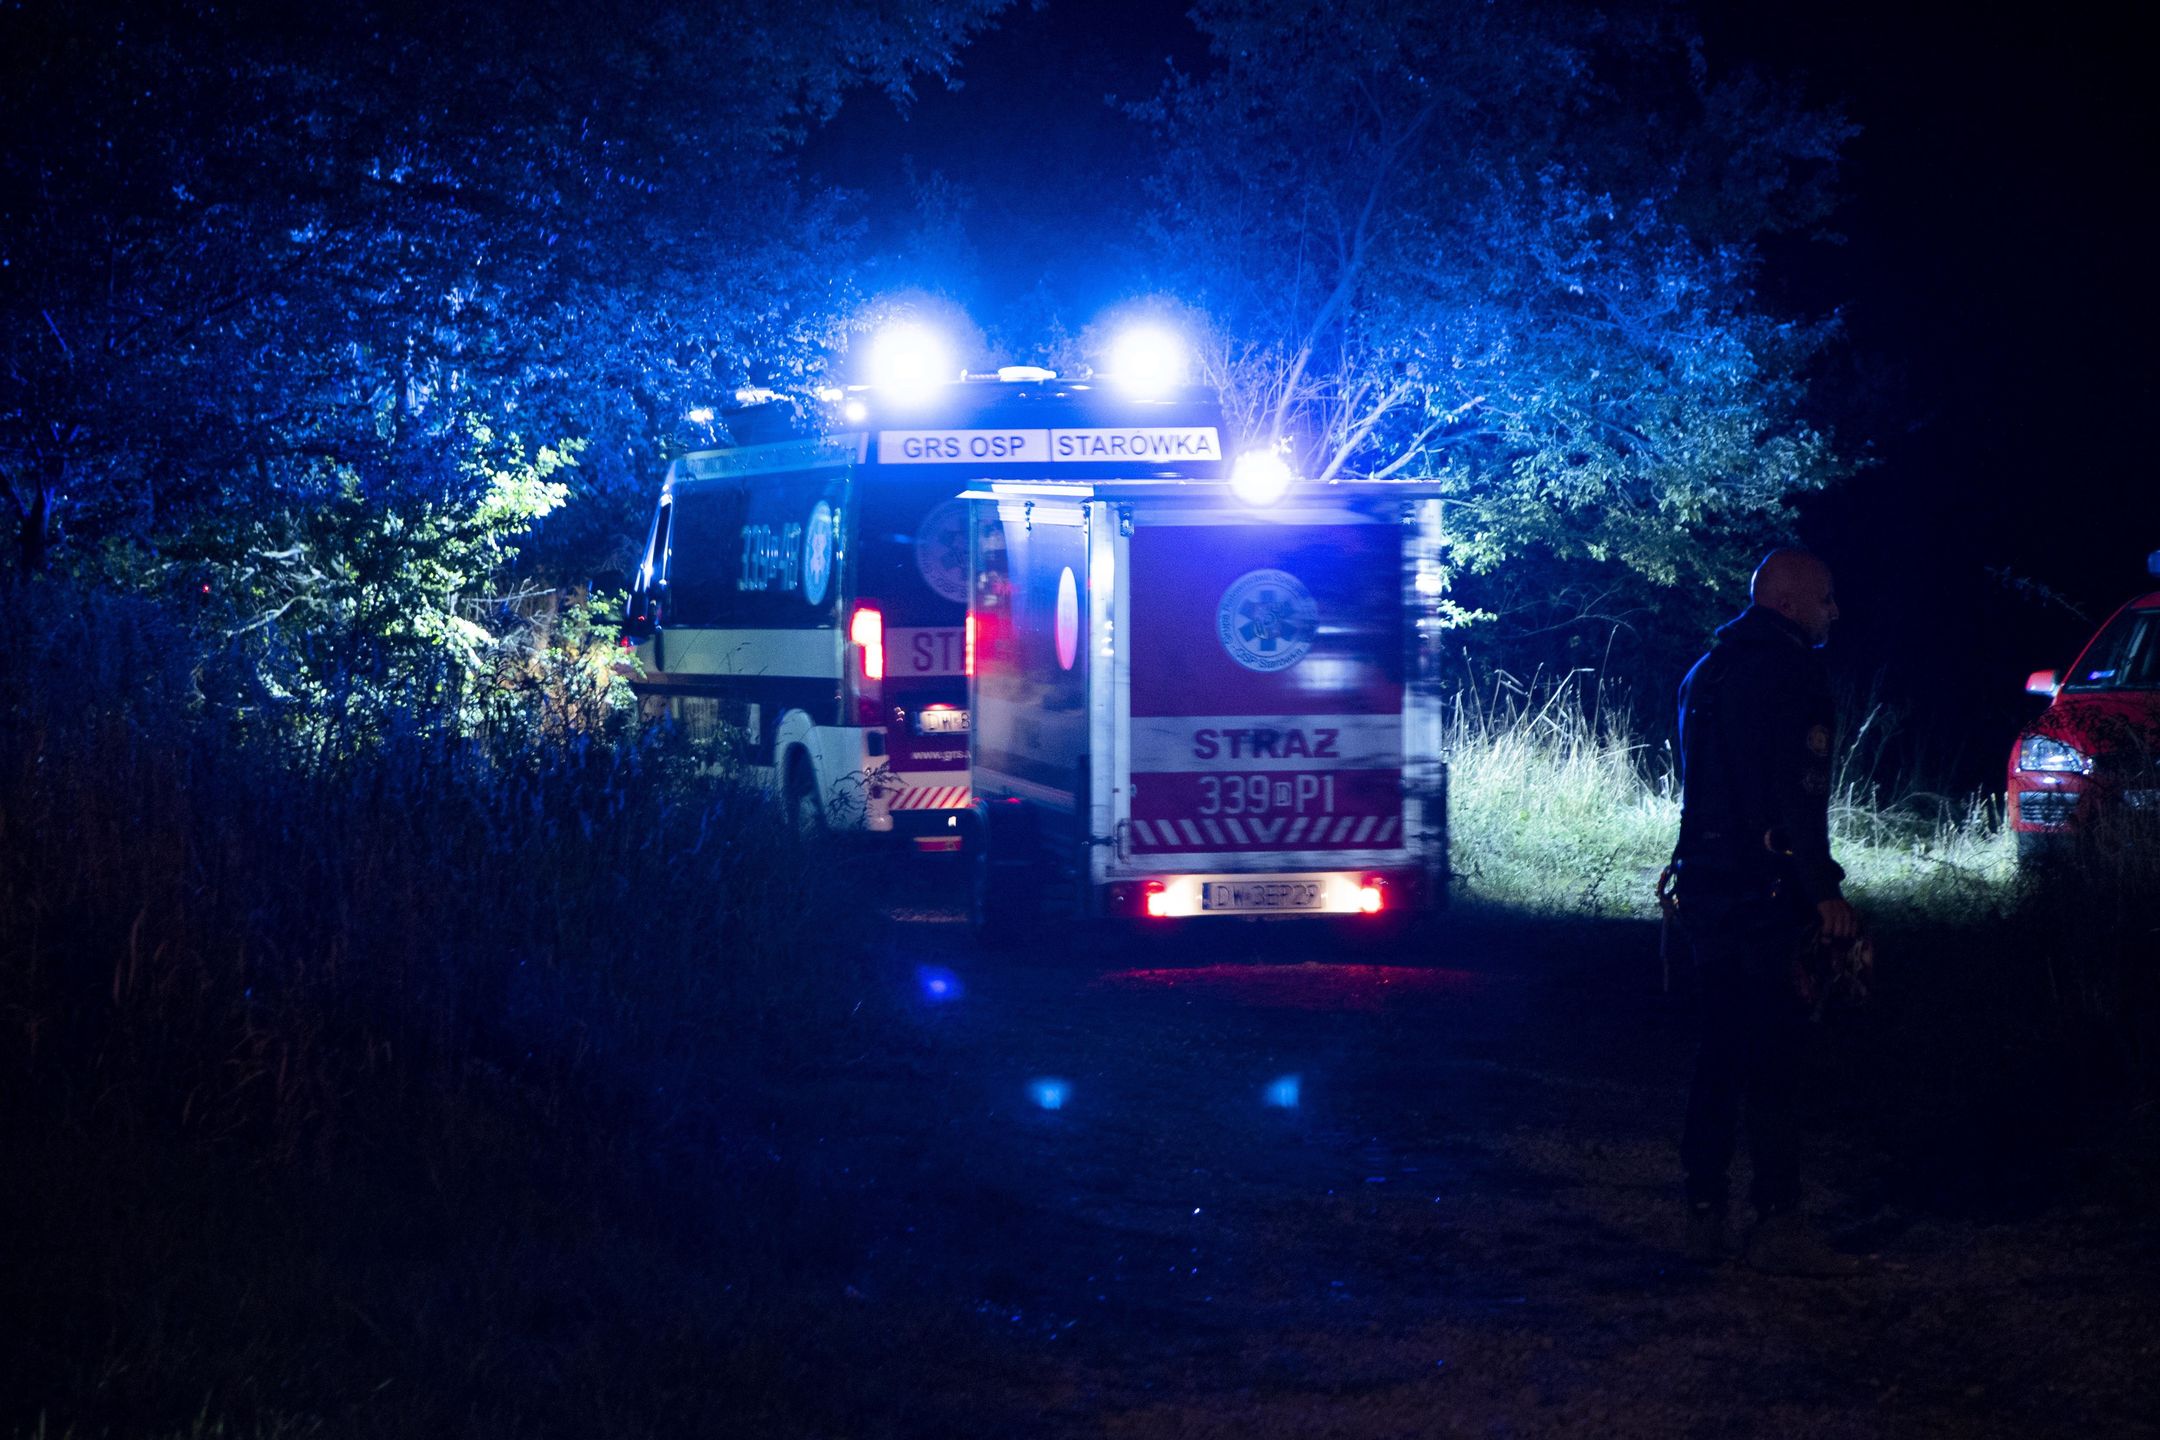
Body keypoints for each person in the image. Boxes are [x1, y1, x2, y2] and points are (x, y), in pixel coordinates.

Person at [1670, 548, 1863, 1277]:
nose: (1833, 613)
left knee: (1718, 1045)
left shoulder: (1705, 672)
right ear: (1787, 602)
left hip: (1706, 888)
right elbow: (1798, 797)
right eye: (1825, 599)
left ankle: (1703, 1206)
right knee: (1775, 1053)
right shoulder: (1794, 675)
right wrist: (1823, 891)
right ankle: (1778, 1214)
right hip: (1766, 893)